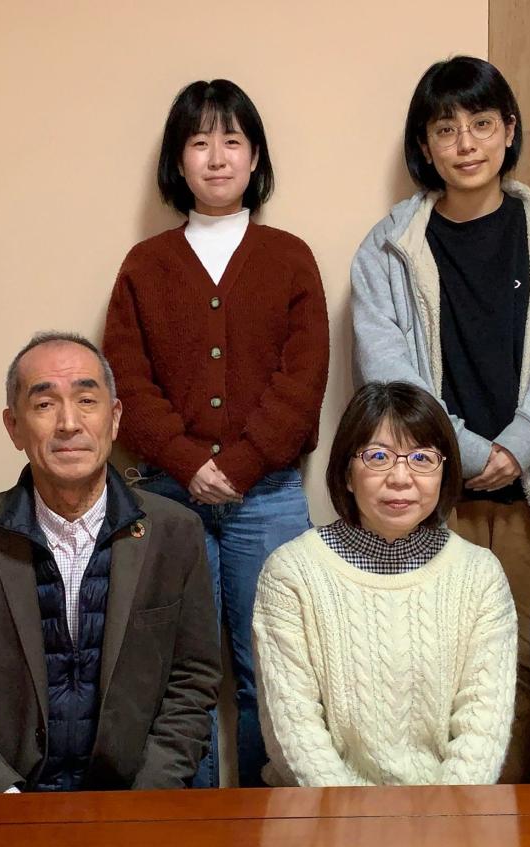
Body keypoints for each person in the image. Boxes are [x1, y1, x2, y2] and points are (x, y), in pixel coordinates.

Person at [350, 55, 530, 782]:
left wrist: (516, 448)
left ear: (509, 131)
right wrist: (466, 453)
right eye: (445, 128)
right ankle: (432, 821)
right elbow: (388, 370)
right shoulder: (388, 248)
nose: (465, 143)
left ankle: (515, 819)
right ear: (424, 144)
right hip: (434, 496)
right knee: (426, 671)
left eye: (481, 124)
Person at [102, 79, 329, 787]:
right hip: (168, 497)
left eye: (232, 140)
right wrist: (186, 461)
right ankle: (192, 823)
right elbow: (125, 378)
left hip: (268, 498)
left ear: (255, 156)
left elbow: (304, 378)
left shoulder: (289, 257)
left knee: (274, 671)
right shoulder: (145, 265)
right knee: (181, 675)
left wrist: (241, 464)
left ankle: (272, 820)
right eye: (199, 142)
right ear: (179, 160)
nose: (217, 157)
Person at [0, 333, 221, 793]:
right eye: (45, 404)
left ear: (115, 418)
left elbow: (193, 682)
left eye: (87, 401)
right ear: (14, 426)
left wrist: (146, 798)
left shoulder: (176, 534)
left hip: (132, 802)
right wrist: (6, 801)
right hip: (1, 805)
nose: (69, 423)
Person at [253, 382, 517, 786]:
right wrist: (355, 817)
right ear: (347, 473)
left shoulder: (480, 575)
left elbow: (482, 729)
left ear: (444, 473)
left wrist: (441, 815)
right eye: (378, 457)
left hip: (447, 811)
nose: (400, 477)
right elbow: (295, 732)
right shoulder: (291, 573)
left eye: (422, 458)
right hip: (323, 811)